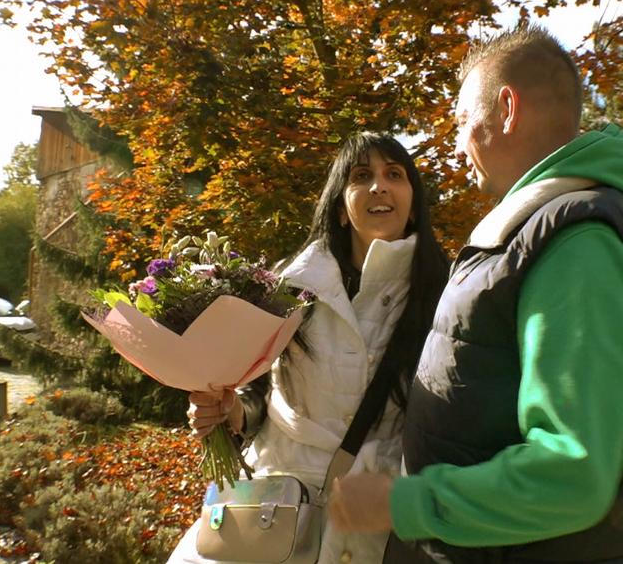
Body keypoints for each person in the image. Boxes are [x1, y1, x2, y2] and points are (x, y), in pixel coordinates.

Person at [328, 25, 623, 563]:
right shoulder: (535, 232)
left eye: (462, 120)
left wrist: (407, 503)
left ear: (507, 108)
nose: (455, 143)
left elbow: (572, 474)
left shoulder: (579, 246)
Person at [168, 132, 449, 563]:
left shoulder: (445, 293)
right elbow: (257, 391)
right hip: (275, 510)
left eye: (394, 174)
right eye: (361, 176)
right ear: (340, 207)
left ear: (413, 206)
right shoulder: (289, 288)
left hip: (375, 521)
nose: (379, 185)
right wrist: (228, 411)